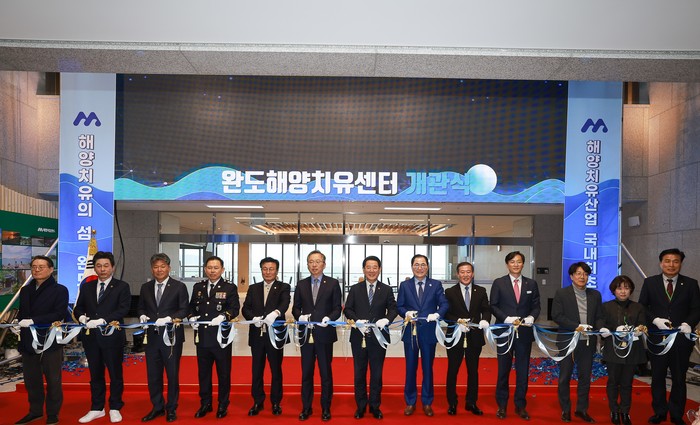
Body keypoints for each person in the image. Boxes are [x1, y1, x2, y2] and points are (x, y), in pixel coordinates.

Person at [638, 248, 700, 425]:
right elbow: (642, 307)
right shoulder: (650, 283)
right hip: (658, 338)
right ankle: (659, 412)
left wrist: (688, 323)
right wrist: (655, 320)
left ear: (680, 263)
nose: (671, 265)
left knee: (679, 378)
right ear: (661, 263)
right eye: (667, 261)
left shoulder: (691, 284)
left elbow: (697, 308)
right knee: (657, 376)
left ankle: (676, 414)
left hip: (681, 340)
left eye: (675, 261)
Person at [73, 251, 132, 424]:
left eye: (106, 265)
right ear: (95, 268)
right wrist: (82, 317)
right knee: (95, 374)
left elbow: (124, 309)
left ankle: (115, 407)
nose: (102, 269)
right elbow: (78, 307)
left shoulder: (122, 286)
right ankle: (97, 408)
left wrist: (103, 320)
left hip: (112, 337)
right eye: (98, 266)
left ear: (112, 267)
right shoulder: (87, 286)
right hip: (91, 338)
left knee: (115, 374)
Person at [15, 256, 69, 425]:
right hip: (28, 340)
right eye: (34, 266)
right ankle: (35, 411)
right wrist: (18, 322)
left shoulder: (60, 290)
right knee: (31, 379)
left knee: (53, 379)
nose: (36, 270)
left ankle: (53, 413)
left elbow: (59, 313)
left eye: (41, 267)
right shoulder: (26, 290)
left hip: (50, 339)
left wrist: (34, 320)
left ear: (51, 269)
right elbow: (23, 312)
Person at [343, 256, 398, 420]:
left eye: (375, 267)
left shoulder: (386, 289)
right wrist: (356, 321)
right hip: (358, 337)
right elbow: (347, 309)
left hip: (379, 337)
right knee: (359, 373)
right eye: (368, 267)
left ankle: (375, 406)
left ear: (379, 269)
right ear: (363, 269)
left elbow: (393, 309)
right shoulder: (355, 289)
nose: (371, 270)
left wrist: (387, 319)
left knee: (376, 373)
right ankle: (360, 406)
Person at [551, 262, 606, 423]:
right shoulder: (562, 293)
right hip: (568, 341)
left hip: (587, 343)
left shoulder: (595, 295)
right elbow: (557, 315)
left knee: (585, 378)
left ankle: (582, 410)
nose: (582, 277)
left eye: (585, 274)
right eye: (578, 273)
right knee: (564, 377)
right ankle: (566, 409)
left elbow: (599, 316)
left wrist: (601, 328)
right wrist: (577, 326)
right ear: (571, 276)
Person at [138, 253, 189, 423]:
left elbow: (184, 309)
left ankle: (171, 408)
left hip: (171, 338)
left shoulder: (179, 287)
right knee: (153, 375)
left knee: (172, 375)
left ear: (169, 268)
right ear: (152, 269)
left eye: (162, 266)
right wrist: (142, 315)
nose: (159, 270)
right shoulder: (145, 287)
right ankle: (157, 407)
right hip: (152, 338)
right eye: (155, 267)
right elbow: (141, 307)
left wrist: (170, 318)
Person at [489, 250, 540, 421]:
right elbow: (493, 305)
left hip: (524, 333)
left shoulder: (531, 284)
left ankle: (520, 405)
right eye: (512, 262)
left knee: (522, 370)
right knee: (503, 370)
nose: (516, 264)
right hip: (504, 332)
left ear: (523, 264)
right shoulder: (499, 283)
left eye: (519, 261)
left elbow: (536, 306)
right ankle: (502, 405)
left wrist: (532, 317)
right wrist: (506, 318)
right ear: (507, 264)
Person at [292, 250, 342, 421]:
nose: (314, 265)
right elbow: (295, 307)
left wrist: (329, 318)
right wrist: (300, 317)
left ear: (324, 264)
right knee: (306, 373)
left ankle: (326, 407)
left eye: (318, 261)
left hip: (324, 334)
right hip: (306, 334)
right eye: (311, 262)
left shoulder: (333, 283)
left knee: (325, 373)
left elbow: (337, 308)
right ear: (307, 264)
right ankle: (306, 407)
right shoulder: (301, 284)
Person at [396, 254, 448, 417]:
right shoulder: (405, 285)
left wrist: (437, 314)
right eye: (417, 264)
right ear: (412, 267)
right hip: (410, 333)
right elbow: (399, 306)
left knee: (427, 368)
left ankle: (427, 401)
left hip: (428, 332)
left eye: (423, 264)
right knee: (410, 368)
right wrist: (406, 313)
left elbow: (444, 303)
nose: (420, 267)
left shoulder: (436, 284)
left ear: (428, 267)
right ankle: (410, 401)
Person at [188, 256, 240, 419]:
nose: (212, 271)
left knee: (223, 374)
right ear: (205, 269)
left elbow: (234, 308)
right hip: (202, 338)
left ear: (222, 270)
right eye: (209, 267)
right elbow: (191, 307)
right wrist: (191, 317)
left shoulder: (229, 287)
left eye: (216, 268)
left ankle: (223, 404)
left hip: (221, 339)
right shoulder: (198, 287)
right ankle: (206, 403)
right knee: (203, 374)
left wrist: (224, 316)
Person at [241, 257, 291, 417]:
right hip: (257, 334)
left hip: (275, 334)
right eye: (265, 268)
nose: (268, 272)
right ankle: (258, 401)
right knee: (257, 370)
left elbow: (284, 304)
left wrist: (276, 313)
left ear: (277, 271)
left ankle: (276, 402)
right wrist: (253, 318)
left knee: (276, 369)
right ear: (261, 270)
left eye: (271, 269)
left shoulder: (283, 287)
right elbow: (245, 308)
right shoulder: (253, 288)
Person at [444, 261, 491, 416]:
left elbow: (486, 309)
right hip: (455, 336)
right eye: (462, 272)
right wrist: (457, 321)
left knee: (473, 371)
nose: (465, 275)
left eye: (468, 272)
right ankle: (452, 402)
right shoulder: (450, 292)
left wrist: (485, 320)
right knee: (453, 370)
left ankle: (471, 402)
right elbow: (446, 313)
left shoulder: (481, 291)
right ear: (457, 274)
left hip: (474, 337)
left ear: (473, 273)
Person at [601, 275, 646, 425]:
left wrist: (639, 330)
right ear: (614, 290)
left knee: (627, 383)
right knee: (613, 382)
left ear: (631, 290)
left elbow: (642, 324)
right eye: (619, 288)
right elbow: (602, 324)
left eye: (626, 288)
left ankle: (625, 412)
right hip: (613, 350)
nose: (623, 291)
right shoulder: (606, 306)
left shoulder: (638, 307)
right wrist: (609, 330)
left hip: (632, 351)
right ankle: (614, 410)